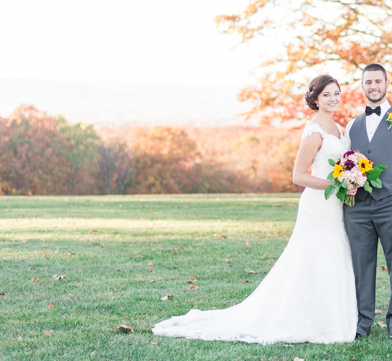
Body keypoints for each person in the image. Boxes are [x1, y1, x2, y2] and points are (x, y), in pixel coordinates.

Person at [152, 75, 356, 344]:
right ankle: (303, 319)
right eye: (326, 94)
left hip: (336, 205)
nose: (333, 98)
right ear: (316, 99)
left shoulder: (340, 130)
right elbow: (298, 175)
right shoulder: (314, 131)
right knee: (311, 258)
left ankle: (332, 319)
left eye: (336, 93)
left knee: (333, 255)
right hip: (318, 205)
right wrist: (335, 183)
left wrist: (350, 181)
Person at [344, 63, 392, 343]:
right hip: (357, 210)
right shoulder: (351, 125)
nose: (373, 86)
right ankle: (361, 322)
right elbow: (345, 164)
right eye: (368, 82)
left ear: (387, 83)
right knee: (361, 267)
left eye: (378, 81)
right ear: (362, 86)